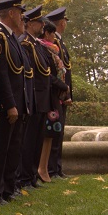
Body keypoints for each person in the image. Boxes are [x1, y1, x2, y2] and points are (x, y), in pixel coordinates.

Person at [0, 0, 32, 204]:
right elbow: (2, 74)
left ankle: (7, 188)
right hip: (7, 104)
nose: (23, 17)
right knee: (0, 149)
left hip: (18, 102)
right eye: (20, 13)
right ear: (11, 13)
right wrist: (10, 104)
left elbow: (20, 74)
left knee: (13, 147)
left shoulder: (12, 38)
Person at [31, 16, 69, 184]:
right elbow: (46, 74)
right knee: (46, 133)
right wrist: (62, 85)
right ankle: (42, 168)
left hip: (54, 96)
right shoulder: (41, 49)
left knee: (53, 132)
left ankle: (45, 167)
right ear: (45, 33)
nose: (54, 37)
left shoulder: (52, 50)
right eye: (52, 33)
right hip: (47, 95)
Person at [44, 6, 72, 178]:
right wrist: (65, 93)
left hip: (62, 94)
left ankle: (57, 168)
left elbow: (66, 72)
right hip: (57, 95)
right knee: (55, 133)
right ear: (62, 23)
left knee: (59, 132)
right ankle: (53, 169)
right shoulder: (54, 45)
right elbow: (58, 73)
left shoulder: (60, 43)